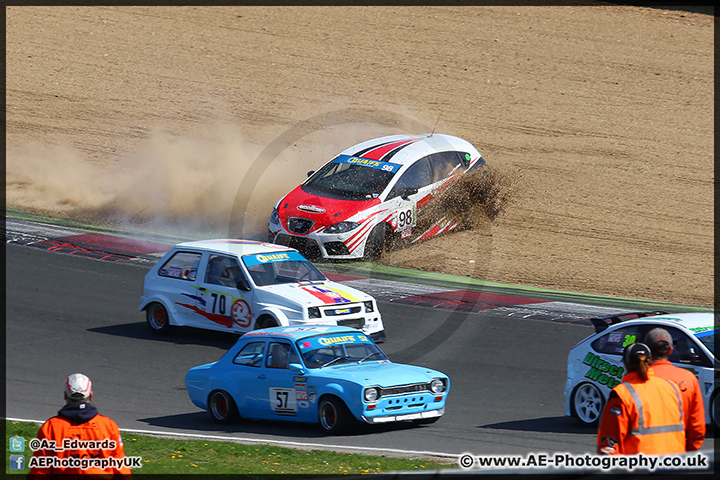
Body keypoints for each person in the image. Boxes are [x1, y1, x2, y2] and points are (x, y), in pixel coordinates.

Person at [28, 373, 132, 478]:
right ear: (90, 395)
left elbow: (40, 471)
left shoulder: (51, 427)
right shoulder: (108, 426)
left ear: (65, 395)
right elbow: (122, 469)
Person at [597, 343, 685, 455]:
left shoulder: (622, 394)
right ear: (650, 362)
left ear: (626, 364)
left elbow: (610, 443)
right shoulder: (672, 387)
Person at [644, 327, 705, 451]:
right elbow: (697, 425)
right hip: (676, 452)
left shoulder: (635, 379)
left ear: (647, 351)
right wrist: (689, 451)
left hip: (642, 454)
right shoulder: (689, 377)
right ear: (670, 350)